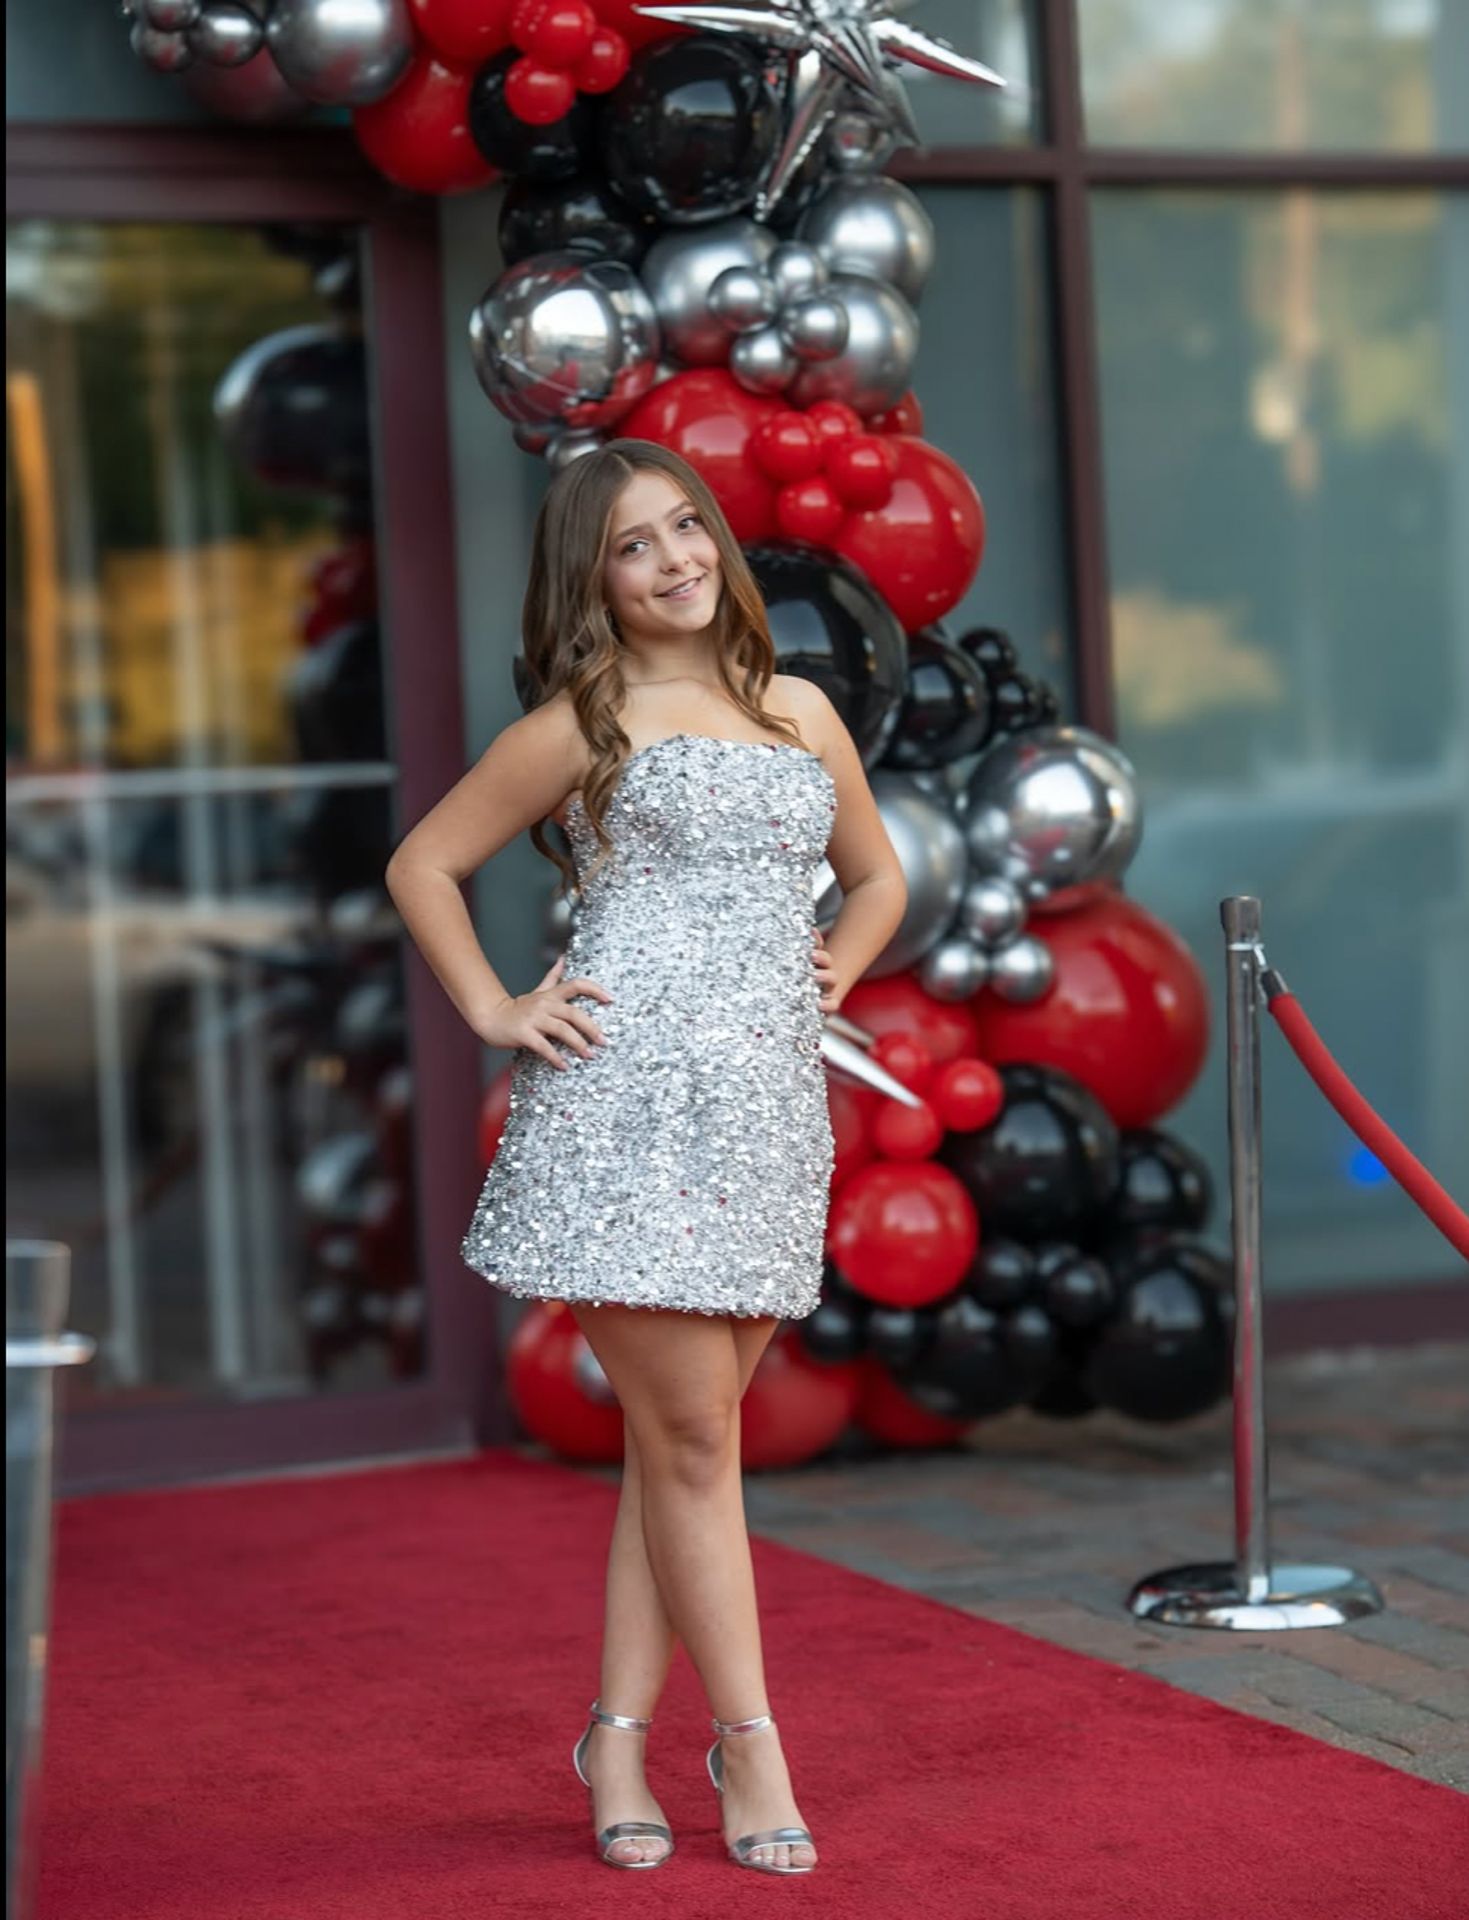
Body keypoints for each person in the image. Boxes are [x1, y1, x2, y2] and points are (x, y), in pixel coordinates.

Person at [385, 439, 906, 1875]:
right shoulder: (587, 718)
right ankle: (750, 1751)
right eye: (634, 544)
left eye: (687, 526)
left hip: (761, 1116)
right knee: (690, 1446)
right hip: (622, 1113)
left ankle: (613, 1736)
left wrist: (829, 979)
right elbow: (421, 862)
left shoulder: (799, 707)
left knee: (680, 1453)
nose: (676, 557)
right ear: (590, 578)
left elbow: (878, 878)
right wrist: (498, 1007)